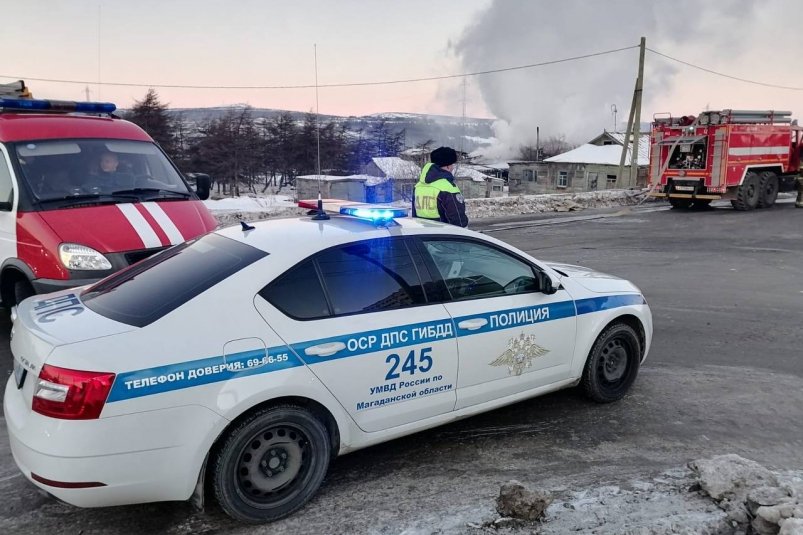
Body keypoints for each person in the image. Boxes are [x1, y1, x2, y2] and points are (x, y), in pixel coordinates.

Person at [412, 146, 468, 227]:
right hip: (444, 237)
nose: (452, 168)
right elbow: (458, 220)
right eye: (452, 165)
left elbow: (415, 215)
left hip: (424, 235)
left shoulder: (418, 186)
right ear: (448, 166)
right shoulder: (447, 187)